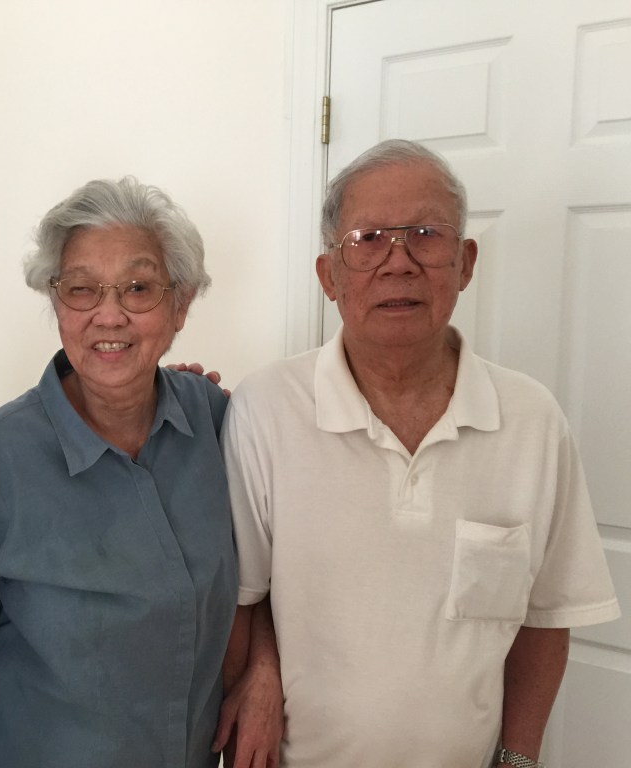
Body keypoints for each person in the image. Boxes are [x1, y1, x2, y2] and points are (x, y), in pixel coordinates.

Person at [220, 139, 620, 768]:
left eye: (426, 235)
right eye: (369, 239)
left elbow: (546, 617)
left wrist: (517, 760)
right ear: (328, 275)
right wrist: (262, 668)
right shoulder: (266, 408)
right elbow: (244, 594)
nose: (398, 263)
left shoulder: (531, 421)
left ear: (465, 263)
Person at [0, 177, 237, 767]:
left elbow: (261, 588)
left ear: (180, 306)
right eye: (81, 289)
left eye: (138, 288)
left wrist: (261, 675)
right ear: (57, 304)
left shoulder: (217, 420)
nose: (109, 315)